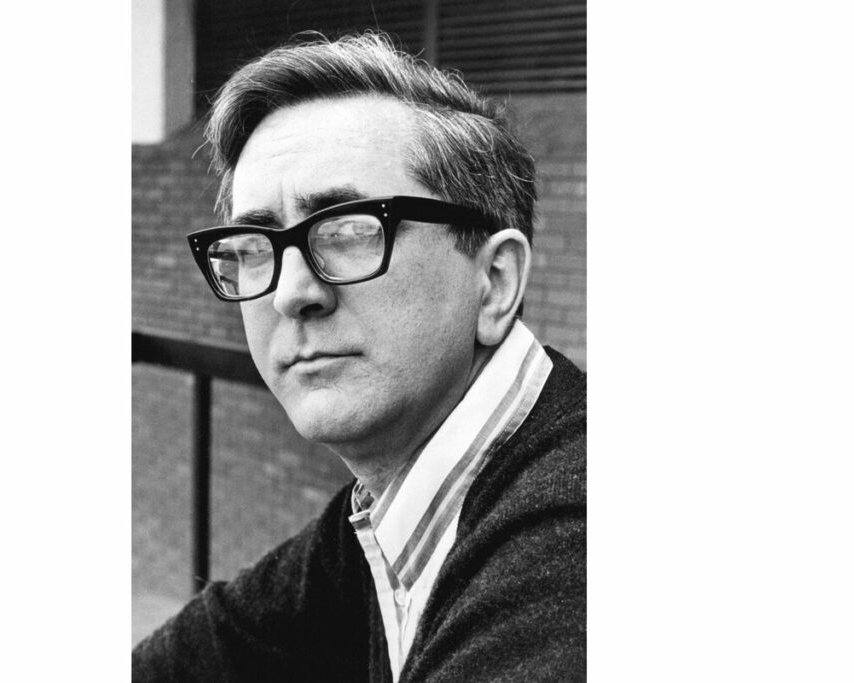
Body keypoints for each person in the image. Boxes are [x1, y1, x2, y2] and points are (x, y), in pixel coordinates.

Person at [133, 31, 586, 682]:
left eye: (348, 230)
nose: (292, 293)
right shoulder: (394, 507)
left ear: (494, 282)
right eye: (255, 245)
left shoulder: (572, 554)